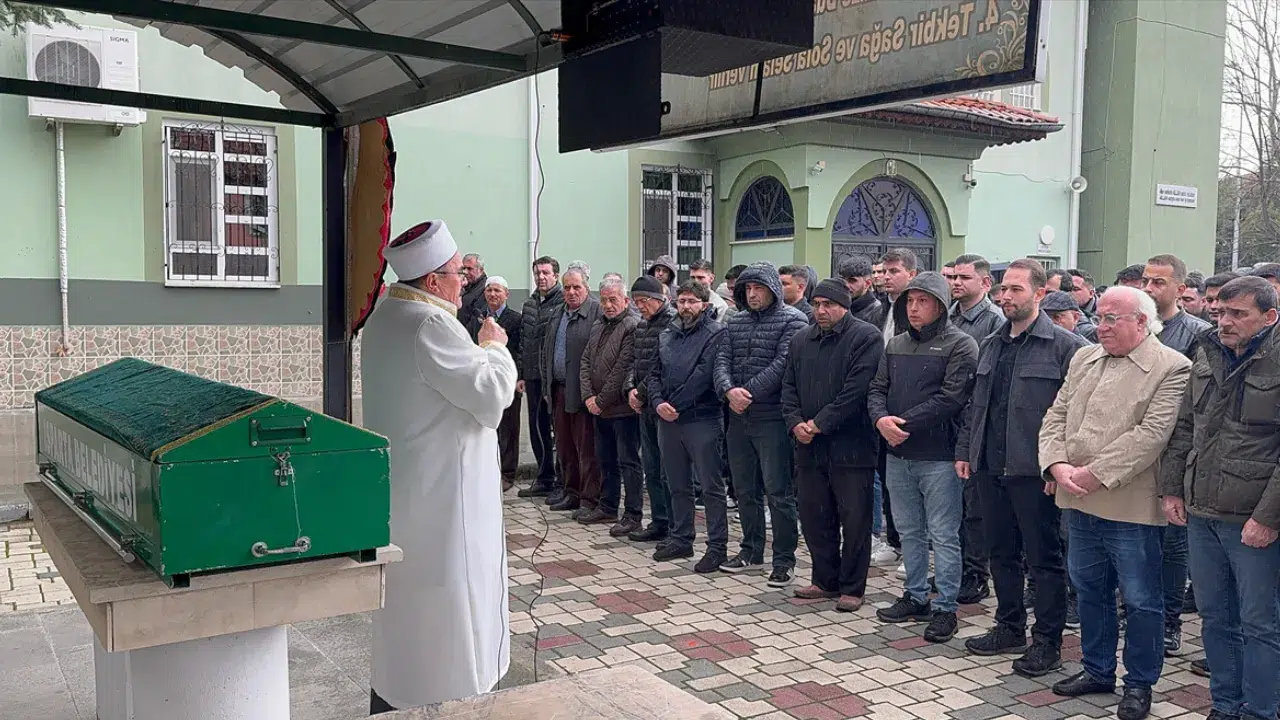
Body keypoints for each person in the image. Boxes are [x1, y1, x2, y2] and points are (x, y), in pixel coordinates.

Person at [362, 221, 517, 713]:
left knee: (408, 609)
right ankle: (452, 701)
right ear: (432, 282)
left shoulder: (387, 315)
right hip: (446, 500)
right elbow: (492, 396)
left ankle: (397, 692)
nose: (463, 284)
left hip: (410, 494)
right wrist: (493, 344)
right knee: (451, 609)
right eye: (457, 275)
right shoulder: (431, 325)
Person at [1040, 286, 1191, 720]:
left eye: (1111, 319)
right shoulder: (1083, 358)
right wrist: (1055, 464)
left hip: (1128, 504)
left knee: (1141, 599)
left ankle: (1139, 683)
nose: (1099, 326)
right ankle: (1097, 669)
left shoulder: (1172, 367)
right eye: (1099, 317)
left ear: (1142, 322)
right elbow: (1056, 415)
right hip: (1078, 497)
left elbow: (1150, 435)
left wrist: (1092, 473)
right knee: (1089, 589)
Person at [958, 259, 1087, 677]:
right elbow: (976, 406)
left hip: (1037, 475)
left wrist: (1058, 467)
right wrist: (967, 451)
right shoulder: (993, 343)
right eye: (1002, 290)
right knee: (1001, 553)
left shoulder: (1066, 347)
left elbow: (1076, 418)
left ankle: (1047, 642)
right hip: (990, 468)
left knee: (1044, 560)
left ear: (1040, 294)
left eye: (1015, 289)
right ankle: (1008, 626)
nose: (1006, 296)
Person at [1161, 276, 1280, 720]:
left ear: (1269, 317)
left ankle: (1261, 710)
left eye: (1237, 314)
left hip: (1253, 518)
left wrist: (1268, 516)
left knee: (1260, 623)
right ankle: (1225, 705)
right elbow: (1186, 426)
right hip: (1201, 510)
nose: (1224, 322)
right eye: (1219, 312)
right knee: (1215, 618)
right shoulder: (1208, 352)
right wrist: (1173, 486)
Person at [868, 271, 978, 643]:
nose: (914, 308)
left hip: (939, 457)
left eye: (923, 301)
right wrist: (880, 419)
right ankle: (915, 596)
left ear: (941, 306)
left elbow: (951, 398)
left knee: (944, 535)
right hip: (898, 454)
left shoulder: (961, 345)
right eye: (910, 302)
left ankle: (946, 607)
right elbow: (877, 388)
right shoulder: (896, 343)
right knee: (910, 531)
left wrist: (901, 423)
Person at [783, 279, 883, 612]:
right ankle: (825, 579)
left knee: (854, 518)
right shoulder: (801, 340)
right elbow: (789, 387)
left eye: (829, 305)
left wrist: (819, 423)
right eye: (817, 304)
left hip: (851, 445)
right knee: (814, 515)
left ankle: (852, 586)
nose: (821, 311)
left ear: (845, 305)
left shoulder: (866, 337)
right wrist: (796, 421)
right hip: (808, 445)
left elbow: (856, 391)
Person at [714, 262, 809, 585]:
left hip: (772, 417)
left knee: (778, 490)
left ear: (773, 290)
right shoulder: (735, 322)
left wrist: (748, 392)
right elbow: (721, 360)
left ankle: (784, 559)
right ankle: (751, 550)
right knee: (744, 489)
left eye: (759, 289)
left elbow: (784, 364)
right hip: (738, 418)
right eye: (748, 289)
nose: (752, 295)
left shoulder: (793, 320)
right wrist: (728, 390)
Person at [1141, 254, 1211, 656]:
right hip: (1134, 459)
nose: (1150, 289)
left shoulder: (1197, 335)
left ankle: (1169, 621)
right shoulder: (1135, 326)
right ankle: (1140, 612)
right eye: (1147, 281)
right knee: (1137, 543)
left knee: (1171, 547)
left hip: (1175, 458)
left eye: (1159, 283)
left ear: (1181, 289)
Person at [649, 280, 728, 570]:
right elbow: (654, 372)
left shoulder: (716, 333)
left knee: (710, 486)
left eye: (692, 301)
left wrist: (675, 406)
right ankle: (682, 538)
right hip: (668, 420)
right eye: (681, 301)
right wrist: (658, 403)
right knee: (676, 482)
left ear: (705, 305)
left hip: (702, 418)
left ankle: (717, 545)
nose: (685, 307)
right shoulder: (668, 333)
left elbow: (704, 374)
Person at [947, 253, 1005, 605]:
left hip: (975, 420)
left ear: (985, 284)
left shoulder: (993, 322)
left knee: (975, 508)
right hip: (947, 420)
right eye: (953, 277)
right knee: (952, 504)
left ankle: (976, 574)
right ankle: (956, 567)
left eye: (964, 278)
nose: (956, 283)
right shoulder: (948, 316)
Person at [579, 277, 644, 535]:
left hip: (622, 409)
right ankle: (607, 506)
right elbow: (586, 361)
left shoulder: (632, 326)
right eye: (604, 299)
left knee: (628, 462)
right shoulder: (598, 325)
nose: (607, 305)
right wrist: (588, 397)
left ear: (625, 300)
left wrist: (601, 400)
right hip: (599, 408)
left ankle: (633, 514)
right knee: (605, 459)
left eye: (613, 299)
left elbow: (622, 369)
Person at [540, 268, 603, 513]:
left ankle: (589, 498)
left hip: (583, 392)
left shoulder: (596, 312)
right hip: (558, 390)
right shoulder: (559, 312)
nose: (571, 292)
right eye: (567, 287)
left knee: (586, 448)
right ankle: (571, 491)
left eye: (576, 287)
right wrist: (547, 386)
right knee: (564, 446)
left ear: (586, 288)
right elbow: (547, 351)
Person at [627, 276, 678, 543]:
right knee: (652, 467)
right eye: (636, 303)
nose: (640, 307)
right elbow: (634, 363)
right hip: (643, 405)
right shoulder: (642, 326)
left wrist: (642, 391)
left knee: (667, 469)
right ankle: (658, 520)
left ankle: (673, 523)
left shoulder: (672, 324)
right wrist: (630, 389)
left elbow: (662, 366)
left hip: (662, 403)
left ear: (659, 299)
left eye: (644, 301)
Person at [466, 276, 523, 489]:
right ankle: (490, 469)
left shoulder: (515, 319)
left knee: (509, 429)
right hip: (484, 380)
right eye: (489, 290)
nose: (492, 294)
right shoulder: (478, 319)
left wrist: (519, 377)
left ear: (506, 294)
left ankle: (508, 473)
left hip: (509, 381)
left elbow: (519, 351)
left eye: (497, 291)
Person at [516, 257, 564, 499]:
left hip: (554, 379)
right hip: (533, 377)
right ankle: (544, 477)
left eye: (546, 273)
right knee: (537, 429)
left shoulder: (563, 302)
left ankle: (562, 482)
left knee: (559, 431)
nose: (541, 277)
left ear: (556, 275)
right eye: (537, 273)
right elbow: (525, 341)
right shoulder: (530, 304)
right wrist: (522, 373)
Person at [838, 256, 888, 328]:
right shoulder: (839, 307)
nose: (846, 285)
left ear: (867, 283)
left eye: (852, 281)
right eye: (843, 280)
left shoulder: (877, 312)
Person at [457, 253, 489, 329]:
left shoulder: (486, 290)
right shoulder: (464, 287)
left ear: (480, 270)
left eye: (470, 269)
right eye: (463, 268)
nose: (465, 272)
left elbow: (477, 321)